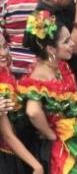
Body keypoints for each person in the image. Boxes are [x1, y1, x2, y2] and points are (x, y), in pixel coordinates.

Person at [19, 10, 77, 174]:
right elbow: (33, 111)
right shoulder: (39, 76)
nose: (72, 44)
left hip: (69, 138)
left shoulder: (58, 66)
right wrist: (51, 135)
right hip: (57, 149)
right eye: (66, 41)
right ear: (51, 49)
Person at [0, 29, 43, 174]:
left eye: (4, 46)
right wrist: (36, 166)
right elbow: (8, 135)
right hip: (7, 158)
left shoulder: (6, 73)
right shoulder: (2, 87)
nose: (3, 53)